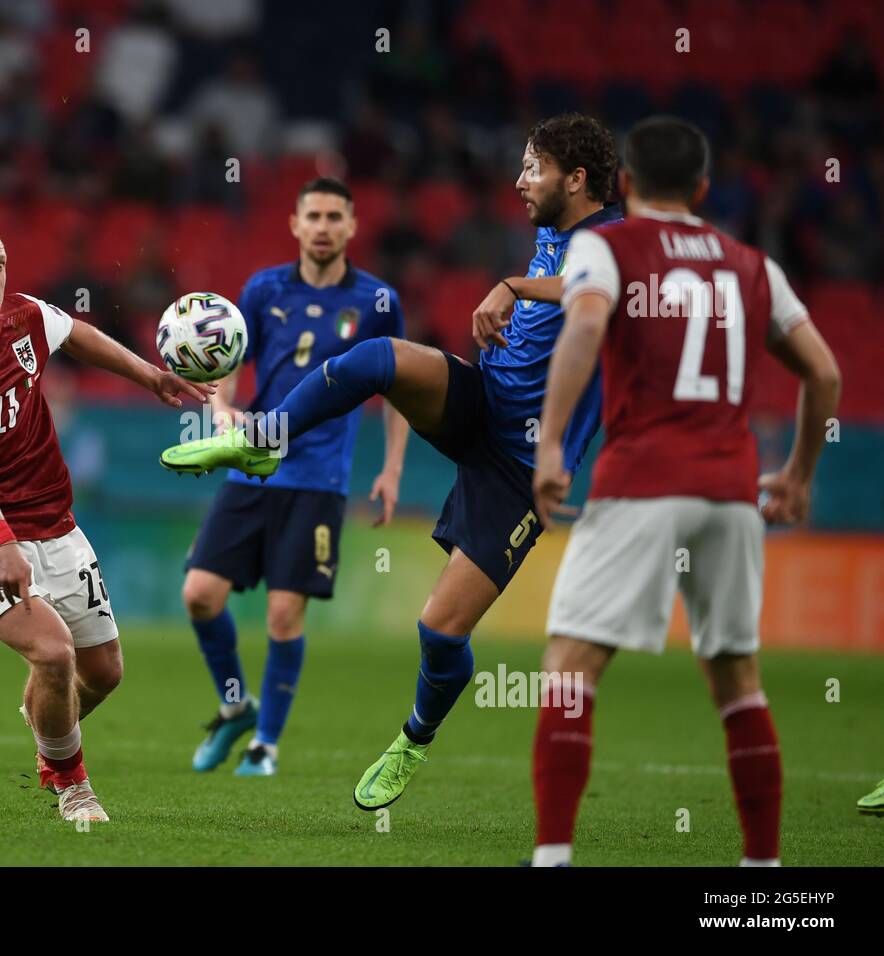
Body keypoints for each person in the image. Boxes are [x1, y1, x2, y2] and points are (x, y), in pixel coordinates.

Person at [160, 115, 621, 807]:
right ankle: (266, 437)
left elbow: (597, 295)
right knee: (380, 358)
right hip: (483, 398)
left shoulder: (614, 243)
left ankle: (413, 736)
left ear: (576, 178)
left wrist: (515, 286)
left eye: (533, 168)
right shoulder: (554, 233)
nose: (520, 181)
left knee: (439, 629)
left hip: (523, 465)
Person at [529, 116, 841, 867]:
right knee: (738, 680)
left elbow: (586, 324)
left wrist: (548, 441)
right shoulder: (752, 265)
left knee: (570, 669)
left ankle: (552, 859)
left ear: (626, 184)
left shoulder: (608, 247)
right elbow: (824, 373)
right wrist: (798, 473)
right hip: (733, 494)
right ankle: (762, 871)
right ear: (703, 189)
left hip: (642, 481)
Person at [0, 217, 211, 821]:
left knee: (104, 671)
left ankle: (46, 717)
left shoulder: (21, 315)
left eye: (0, 265)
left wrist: (148, 375)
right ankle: (71, 784)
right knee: (53, 653)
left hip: (54, 521)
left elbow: (76, 334)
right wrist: (0, 543)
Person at [173, 177, 409, 777]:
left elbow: (403, 385)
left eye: (335, 216)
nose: (325, 226)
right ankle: (235, 708)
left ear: (352, 226)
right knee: (199, 594)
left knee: (284, 615)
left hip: (319, 478)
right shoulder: (262, 288)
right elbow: (227, 358)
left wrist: (390, 469)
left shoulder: (379, 301)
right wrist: (222, 410)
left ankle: (265, 745)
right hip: (254, 467)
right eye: (315, 216)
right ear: (296, 225)